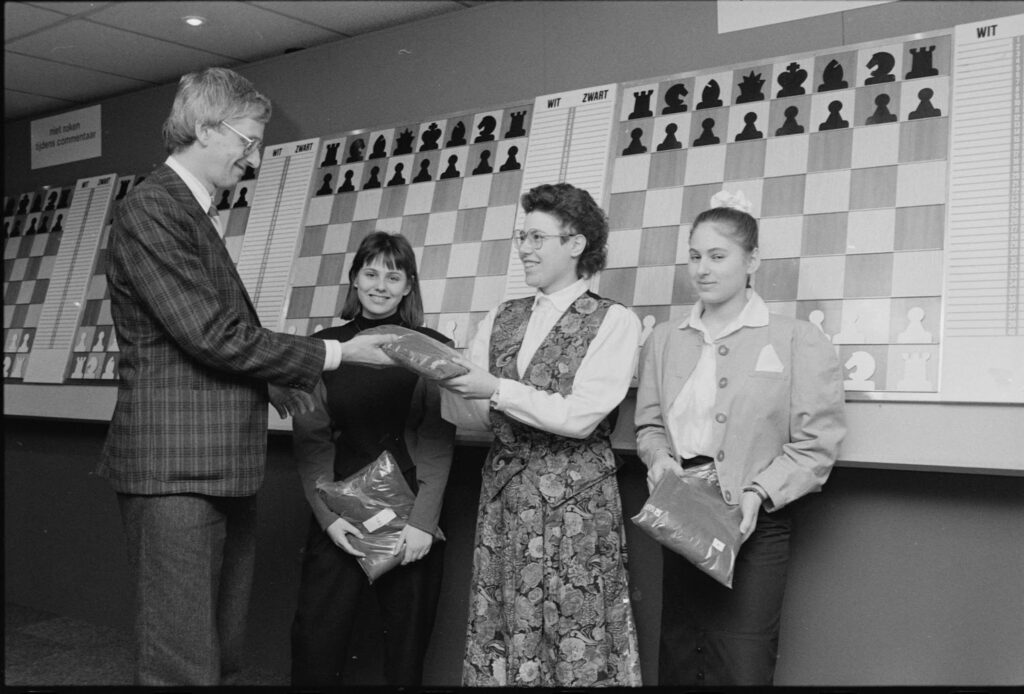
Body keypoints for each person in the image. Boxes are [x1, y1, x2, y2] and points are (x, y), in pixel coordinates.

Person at [95, 67, 395, 686]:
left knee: (220, 655)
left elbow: (208, 334)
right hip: (175, 468)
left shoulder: (190, 212)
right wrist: (337, 355)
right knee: (183, 663)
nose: (255, 159)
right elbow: (210, 335)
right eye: (250, 141)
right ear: (205, 129)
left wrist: (278, 380)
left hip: (215, 463)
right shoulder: (152, 207)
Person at [633, 191, 846, 686]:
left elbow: (817, 443)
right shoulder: (665, 338)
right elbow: (648, 425)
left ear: (752, 260)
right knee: (681, 655)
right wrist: (659, 460)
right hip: (681, 515)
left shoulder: (796, 338)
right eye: (694, 256)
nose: (702, 269)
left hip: (756, 522)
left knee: (742, 665)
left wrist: (759, 493)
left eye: (717, 255)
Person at [440, 182, 643, 687]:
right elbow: (477, 414)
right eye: (521, 236)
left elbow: (580, 417)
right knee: (503, 621)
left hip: (575, 505)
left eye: (536, 237)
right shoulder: (502, 316)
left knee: (576, 628)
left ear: (576, 244)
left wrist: (494, 388)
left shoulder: (614, 320)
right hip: (506, 498)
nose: (525, 249)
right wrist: (440, 372)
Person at [289, 231, 455, 686]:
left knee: (405, 649)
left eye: (393, 275)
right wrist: (328, 519)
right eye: (371, 272)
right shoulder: (323, 348)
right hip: (337, 511)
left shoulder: (431, 346)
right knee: (316, 644)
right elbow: (312, 442)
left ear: (408, 287)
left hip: (410, 518)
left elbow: (437, 441)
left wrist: (422, 523)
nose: (381, 285)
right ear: (355, 279)